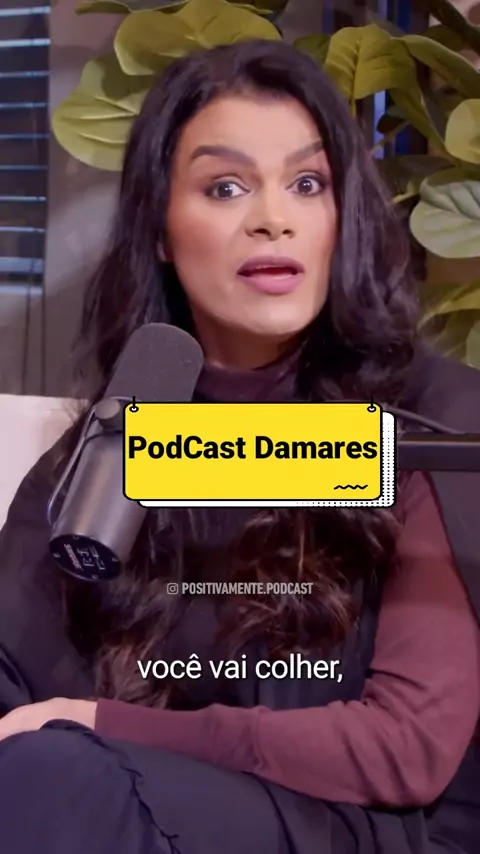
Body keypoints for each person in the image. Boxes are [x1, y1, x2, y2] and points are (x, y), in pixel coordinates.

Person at [0, 38, 478, 854]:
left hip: (369, 829)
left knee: (55, 778)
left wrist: (105, 724)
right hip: (135, 813)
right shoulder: (111, 451)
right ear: (159, 228)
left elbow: (406, 752)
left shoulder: (430, 422)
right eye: (225, 187)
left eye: (307, 183)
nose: (272, 218)